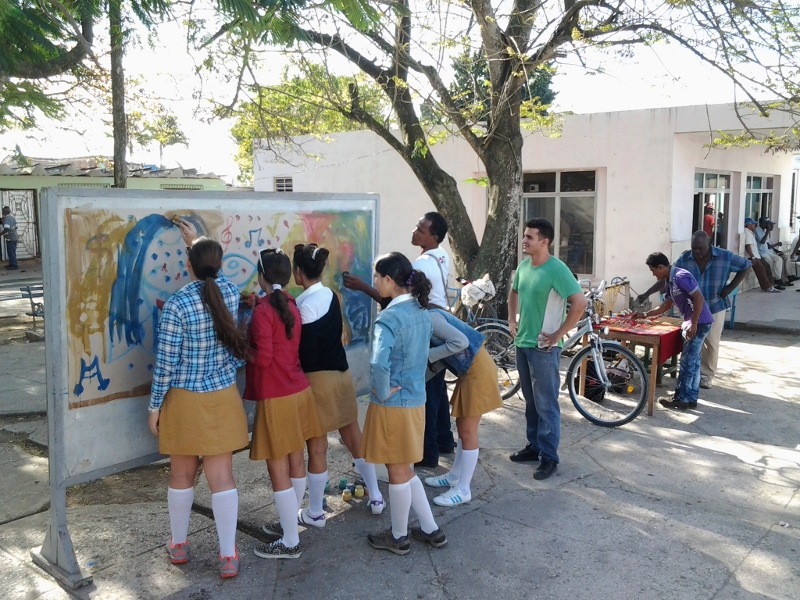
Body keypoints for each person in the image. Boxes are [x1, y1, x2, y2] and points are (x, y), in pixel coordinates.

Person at [147, 221, 249, 578]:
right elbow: (214, 278)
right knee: (222, 477)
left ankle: (178, 545)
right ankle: (227, 555)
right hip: (222, 397)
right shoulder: (230, 293)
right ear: (220, 265)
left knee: (181, 474)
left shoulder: (177, 305)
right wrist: (198, 244)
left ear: (188, 264)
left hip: (185, 401)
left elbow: (166, 363)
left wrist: (154, 406)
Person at [344, 211, 455, 469]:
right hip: (432, 325)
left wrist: (362, 286)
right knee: (435, 389)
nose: (414, 232)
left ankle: (426, 452)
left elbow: (392, 300)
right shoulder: (440, 256)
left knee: (428, 391)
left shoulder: (420, 268)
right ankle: (444, 440)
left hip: (424, 331)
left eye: (421, 230)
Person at [292, 243, 386, 526]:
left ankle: (316, 512)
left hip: (316, 379)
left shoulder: (303, 307)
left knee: (317, 446)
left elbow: (303, 351)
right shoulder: (331, 295)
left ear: (297, 272)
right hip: (341, 374)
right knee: (354, 436)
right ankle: (377, 496)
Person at [362, 252, 446, 555]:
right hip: (415, 400)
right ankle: (430, 529)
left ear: (388, 280)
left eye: (375, 277)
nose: (374, 282)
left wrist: (382, 391)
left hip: (393, 404)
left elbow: (379, 363)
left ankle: (398, 536)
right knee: (405, 469)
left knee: (397, 470)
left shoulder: (390, 317)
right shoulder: (422, 311)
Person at [245, 248, 323, 560]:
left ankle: (290, 541)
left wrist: (241, 345)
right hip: (298, 389)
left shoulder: (263, 311)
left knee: (277, 468)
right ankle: (290, 525)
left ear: (261, 276)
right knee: (295, 459)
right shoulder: (290, 303)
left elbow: (262, 358)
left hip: (276, 395)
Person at [507, 218, 586, 481]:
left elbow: (579, 303)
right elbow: (514, 292)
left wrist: (559, 334)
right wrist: (511, 319)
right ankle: (535, 446)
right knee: (531, 402)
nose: (525, 240)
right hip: (523, 343)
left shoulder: (557, 269)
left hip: (544, 347)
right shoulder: (524, 266)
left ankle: (549, 457)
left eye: (530, 237)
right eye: (525, 236)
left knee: (546, 403)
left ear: (545, 241)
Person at [423, 306, 503, 506]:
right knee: (462, 428)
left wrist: (428, 355)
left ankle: (463, 489)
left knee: (468, 432)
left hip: (477, 372)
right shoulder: (427, 317)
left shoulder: (430, 317)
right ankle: (454, 477)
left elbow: (460, 342)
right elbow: (443, 357)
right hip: (469, 372)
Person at [635, 252, 715, 410]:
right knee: (693, 361)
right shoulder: (669, 282)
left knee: (686, 362)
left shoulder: (681, 276)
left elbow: (699, 298)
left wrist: (694, 323)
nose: (653, 274)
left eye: (653, 271)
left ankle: (681, 398)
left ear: (661, 267)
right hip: (694, 322)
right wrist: (645, 314)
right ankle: (691, 398)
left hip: (700, 322)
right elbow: (666, 305)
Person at [671, 232, 750, 389]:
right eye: (694, 248)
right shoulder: (685, 258)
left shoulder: (724, 256)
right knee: (691, 340)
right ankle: (693, 373)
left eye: (700, 248)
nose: (697, 252)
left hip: (714, 305)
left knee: (711, 342)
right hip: (692, 308)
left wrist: (730, 287)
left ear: (709, 244)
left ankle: (706, 375)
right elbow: (670, 274)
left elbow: (746, 265)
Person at [743, 218, 780, 293]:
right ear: (748, 224)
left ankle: (771, 285)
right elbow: (748, 246)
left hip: (757, 255)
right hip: (753, 256)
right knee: (761, 270)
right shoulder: (746, 233)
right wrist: (752, 257)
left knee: (766, 267)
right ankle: (767, 287)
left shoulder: (750, 232)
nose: (754, 225)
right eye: (753, 224)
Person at [755, 217, 792, 288]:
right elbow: (762, 241)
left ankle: (777, 279)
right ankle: (773, 281)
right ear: (763, 223)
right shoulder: (757, 230)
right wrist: (767, 231)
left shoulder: (764, 231)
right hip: (761, 252)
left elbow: (767, 244)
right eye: (768, 224)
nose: (769, 226)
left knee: (779, 259)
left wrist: (777, 250)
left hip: (767, 251)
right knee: (770, 263)